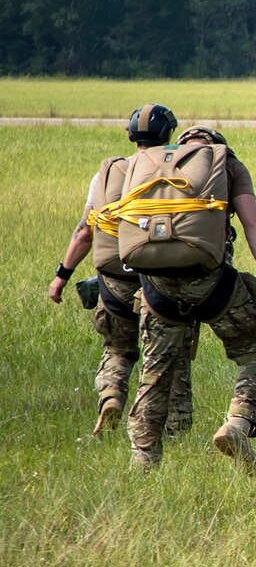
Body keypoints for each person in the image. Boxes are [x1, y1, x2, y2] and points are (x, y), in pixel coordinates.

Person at [119, 123, 256, 470]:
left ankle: (143, 458)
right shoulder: (228, 164)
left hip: (157, 287)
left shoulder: (149, 161)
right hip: (213, 284)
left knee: (154, 373)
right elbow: (252, 222)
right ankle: (238, 421)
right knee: (255, 354)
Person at [47, 104, 197, 438]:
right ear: (169, 135)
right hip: (162, 283)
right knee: (171, 359)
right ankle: (174, 429)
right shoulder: (177, 173)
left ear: (132, 136)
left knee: (117, 350)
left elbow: (85, 231)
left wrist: (62, 275)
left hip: (115, 284)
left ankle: (112, 396)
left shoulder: (108, 175)